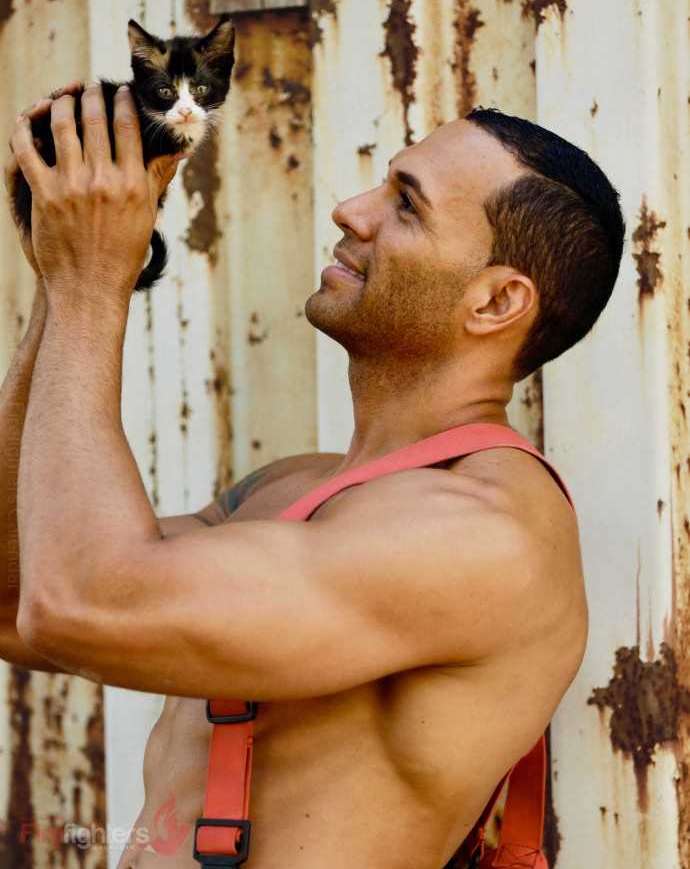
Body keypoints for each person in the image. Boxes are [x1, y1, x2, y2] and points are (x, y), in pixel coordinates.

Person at [0, 80, 624, 868]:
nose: (351, 211)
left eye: (406, 205)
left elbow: (77, 605)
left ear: (496, 301)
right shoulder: (291, 489)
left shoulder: (482, 531)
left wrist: (93, 282)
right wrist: (62, 272)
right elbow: (17, 601)